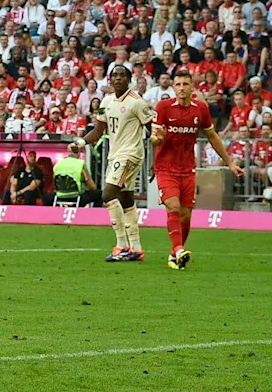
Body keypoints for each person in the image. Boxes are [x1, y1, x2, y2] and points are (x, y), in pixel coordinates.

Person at [151, 69, 243, 268]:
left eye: (185, 84)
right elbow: (155, 137)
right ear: (173, 87)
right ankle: (179, 250)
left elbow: (213, 137)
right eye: (178, 84)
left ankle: (174, 254)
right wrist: (157, 139)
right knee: (173, 207)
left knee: (185, 215)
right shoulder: (164, 107)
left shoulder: (200, 109)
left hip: (188, 169)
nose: (182, 88)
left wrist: (230, 162)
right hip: (166, 168)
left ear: (192, 86)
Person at [79, 64, 154, 262]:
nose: (118, 78)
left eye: (122, 75)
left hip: (130, 154)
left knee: (107, 194)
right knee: (126, 199)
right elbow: (98, 130)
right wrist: (81, 142)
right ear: (110, 80)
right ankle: (136, 248)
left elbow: (153, 132)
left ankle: (121, 244)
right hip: (115, 154)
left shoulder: (137, 102)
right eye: (115, 75)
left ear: (129, 79)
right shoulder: (106, 101)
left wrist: (156, 160)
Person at [52, 142, 102, 206]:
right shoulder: (81, 164)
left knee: (46, 198)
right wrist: (94, 189)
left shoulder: (58, 164)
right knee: (100, 194)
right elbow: (90, 184)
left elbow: (54, 182)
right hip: (77, 196)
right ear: (79, 153)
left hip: (60, 195)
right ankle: (95, 215)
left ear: (68, 152)